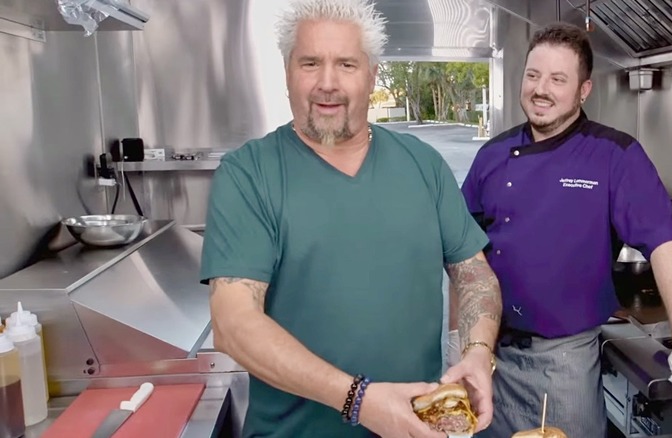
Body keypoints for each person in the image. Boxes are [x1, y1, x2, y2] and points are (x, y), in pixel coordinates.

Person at [199, 0, 502, 437]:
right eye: (310, 63)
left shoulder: (423, 164)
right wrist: (359, 401)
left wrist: (476, 352)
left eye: (345, 64)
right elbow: (232, 325)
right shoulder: (249, 173)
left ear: (372, 75)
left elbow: (474, 273)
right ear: (287, 72)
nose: (327, 83)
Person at [453, 22, 672, 437]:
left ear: (584, 90)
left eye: (558, 79)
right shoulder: (493, 154)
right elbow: (463, 253)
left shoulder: (614, 155)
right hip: (488, 356)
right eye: (533, 75)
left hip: (563, 364)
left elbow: (663, 243)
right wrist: (463, 343)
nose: (541, 89)